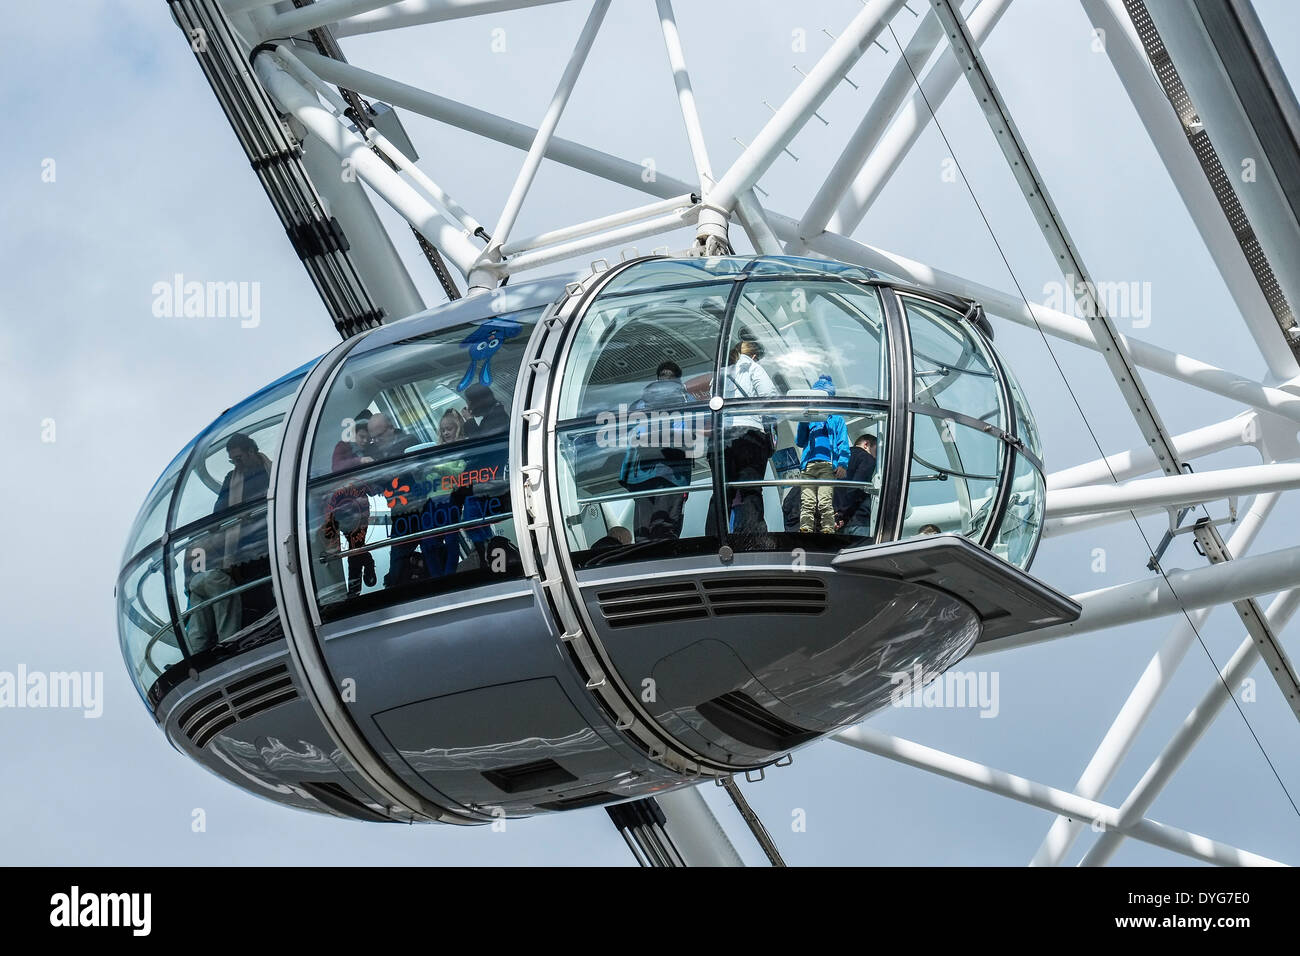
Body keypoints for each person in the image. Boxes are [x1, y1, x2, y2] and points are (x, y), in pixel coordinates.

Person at [620, 362, 693, 541]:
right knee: (665, 528)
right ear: (678, 379)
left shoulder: (640, 402)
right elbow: (696, 431)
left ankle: (644, 562)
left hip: (642, 473)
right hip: (673, 473)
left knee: (643, 531)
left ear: (658, 377)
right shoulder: (686, 399)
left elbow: (628, 434)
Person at [721, 336, 780, 537]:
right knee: (750, 487)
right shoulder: (753, 367)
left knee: (722, 491)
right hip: (749, 435)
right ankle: (753, 535)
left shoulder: (721, 374)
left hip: (723, 438)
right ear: (754, 355)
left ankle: (714, 534)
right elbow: (769, 395)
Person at [795, 375, 849, 534]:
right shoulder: (809, 419)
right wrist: (803, 421)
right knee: (807, 501)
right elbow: (800, 441)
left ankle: (827, 528)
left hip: (827, 466)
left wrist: (842, 463)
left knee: (825, 500)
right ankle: (805, 528)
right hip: (808, 465)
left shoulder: (836, 419)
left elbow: (842, 442)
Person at [835, 433, 878, 537]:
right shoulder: (867, 458)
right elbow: (857, 486)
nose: (876, 456)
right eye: (876, 451)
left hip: (837, 520)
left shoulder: (839, 457)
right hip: (857, 520)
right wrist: (842, 514)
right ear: (866, 444)